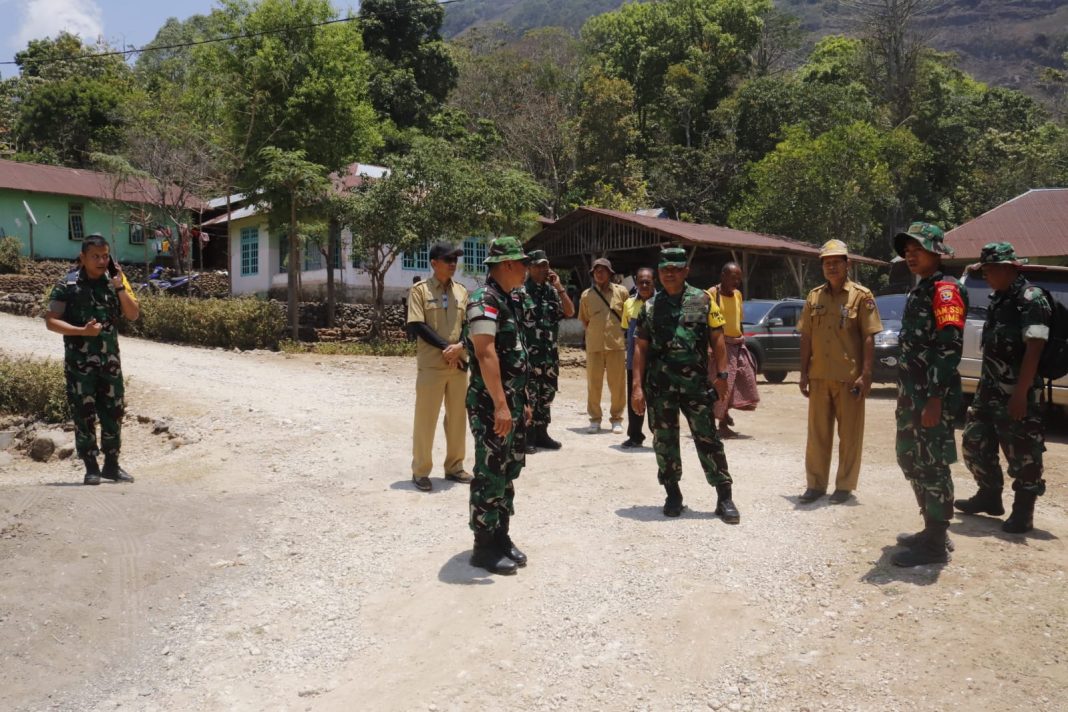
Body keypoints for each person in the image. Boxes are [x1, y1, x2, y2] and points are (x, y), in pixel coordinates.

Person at [631, 247, 740, 523]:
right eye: (665, 269)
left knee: (708, 439)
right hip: (661, 388)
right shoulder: (650, 306)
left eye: (676, 269)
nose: (670, 274)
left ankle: (724, 497)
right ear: (659, 272)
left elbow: (717, 338)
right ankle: (673, 494)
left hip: (695, 387)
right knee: (664, 442)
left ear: (685, 271)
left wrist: (723, 375)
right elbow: (640, 347)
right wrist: (637, 386)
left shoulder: (702, 300)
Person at [957, 242, 1052, 534]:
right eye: (983, 270)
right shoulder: (999, 298)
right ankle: (989, 495)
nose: (985, 276)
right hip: (989, 390)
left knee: (1022, 451)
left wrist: (1021, 394)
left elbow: (1035, 348)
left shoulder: (1031, 299)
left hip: (1017, 391)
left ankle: (1023, 511)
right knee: (974, 441)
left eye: (989, 270)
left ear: (1007, 268)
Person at [890, 222, 967, 567]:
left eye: (917, 249)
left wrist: (935, 398)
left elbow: (949, 348)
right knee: (909, 457)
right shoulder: (922, 289)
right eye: (907, 251)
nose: (910, 255)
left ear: (936, 252)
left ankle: (935, 543)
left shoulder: (946, 291)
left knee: (933, 464)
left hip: (931, 397)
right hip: (912, 395)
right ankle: (931, 527)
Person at [44, 234, 140, 485]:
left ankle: (112, 465)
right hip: (80, 365)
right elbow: (51, 321)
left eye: (105, 256)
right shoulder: (67, 285)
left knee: (114, 412)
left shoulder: (115, 282)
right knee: (83, 413)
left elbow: (133, 314)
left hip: (110, 363)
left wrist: (120, 286)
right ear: (83, 257)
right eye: (95, 256)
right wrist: (81, 331)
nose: (101, 261)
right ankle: (91, 467)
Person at [464, 237, 533, 575]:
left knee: (507, 472)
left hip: (511, 403)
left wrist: (523, 400)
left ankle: (501, 536)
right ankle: (483, 546)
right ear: (507, 264)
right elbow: (485, 352)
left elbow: (516, 354)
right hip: (491, 405)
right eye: (522, 263)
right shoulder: (483, 300)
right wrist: (501, 406)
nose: (526, 269)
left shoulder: (510, 299)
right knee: (490, 472)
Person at [796, 240, 883, 504]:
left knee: (850, 435)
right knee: (817, 435)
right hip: (819, 375)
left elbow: (869, 336)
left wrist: (866, 374)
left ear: (848, 264)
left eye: (836, 261)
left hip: (849, 378)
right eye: (827, 262)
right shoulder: (814, 296)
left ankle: (844, 486)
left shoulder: (861, 296)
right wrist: (803, 373)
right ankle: (815, 484)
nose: (831, 267)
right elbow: (806, 336)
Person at [406, 242, 472, 492]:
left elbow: (468, 325)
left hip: (458, 364)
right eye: (448, 259)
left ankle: (455, 467)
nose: (453, 264)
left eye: (455, 260)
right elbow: (417, 325)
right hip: (432, 365)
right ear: (434, 263)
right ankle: (421, 470)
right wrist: (447, 348)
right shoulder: (420, 291)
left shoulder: (462, 292)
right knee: (426, 419)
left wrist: (459, 348)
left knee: (457, 418)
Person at [522, 249, 575, 451]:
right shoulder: (521, 292)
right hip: (529, 357)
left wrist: (559, 287)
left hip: (549, 357)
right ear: (529, 268)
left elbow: (570, 311)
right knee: (529, 397)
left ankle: (542, 434)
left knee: (546, 396)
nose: (543, 269)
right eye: (539, 265)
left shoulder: (552, 291)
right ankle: (527, 436)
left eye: (546, 265)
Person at [707, 262, 760, 438]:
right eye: (733, 277)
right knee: (724, 384)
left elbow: (738, 321)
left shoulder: (737, 294)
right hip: (720, 346)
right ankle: (721, 424)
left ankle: (725, 412)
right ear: (723, 276)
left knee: (743, 379)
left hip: (737, 344)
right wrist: (709, 347)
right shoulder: (712, 294)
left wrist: (743, 341)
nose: (736, 281)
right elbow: (705, 322)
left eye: (739, 278)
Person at [579, 257, 629, 434]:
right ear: (593, 274)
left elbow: (627, 317)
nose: (599, 274)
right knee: (593, 384)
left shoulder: (622, 292)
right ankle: (595, 419)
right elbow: (585, 320)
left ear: (610, 273)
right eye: (596, 271)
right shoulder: (586, 295)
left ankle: (616, 419)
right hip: (594, 345)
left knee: (618, 384)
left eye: (603, 270)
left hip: (616, 345)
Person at [620, 267, 655, 448]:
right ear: (636, 282)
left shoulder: (661, 303)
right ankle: (635, 436)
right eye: (641, 282)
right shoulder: (628, 304)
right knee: (634, 396)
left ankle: (660, 436)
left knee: (657, 401)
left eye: (648, 282)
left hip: (657, 362)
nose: (644, 285)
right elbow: (627, 330)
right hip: (635, 360)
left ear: (654, 282)